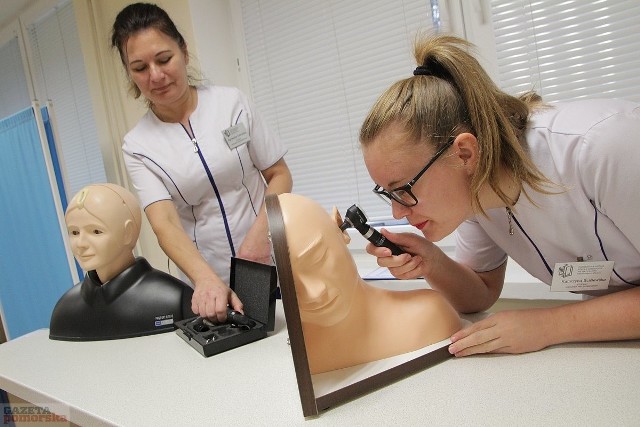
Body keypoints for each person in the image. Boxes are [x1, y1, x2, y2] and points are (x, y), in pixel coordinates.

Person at [359, 34, 640, 357]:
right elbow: (479, 294)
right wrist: (431, 262)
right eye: (387, 194)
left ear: (464, 153)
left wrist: (549, 325)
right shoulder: (476, 192)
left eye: (403, 189)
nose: (397, 213)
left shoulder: (602, 147)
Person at [111, 3, 293, 322]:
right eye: (140, 68)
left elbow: (279, 175)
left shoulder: (231, 105)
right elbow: (164, 223)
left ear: (183, 50)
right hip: (209, 284)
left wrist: (259, 240)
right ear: (129, 73)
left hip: (271, 260)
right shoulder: (139, 145)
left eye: (164, 59)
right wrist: (205, 279)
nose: (155, 75)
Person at [274, 193, 461, 374]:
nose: (313, 293)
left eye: (318, 258)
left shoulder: (429, 313)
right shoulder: (298, 351)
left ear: (341, 231)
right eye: (287, 278)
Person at [50, 183, 196, 341]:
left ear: (128, 232)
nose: (81, 243)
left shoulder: (175, 299)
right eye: (74, 232)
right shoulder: (65, 311)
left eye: (96, 231)